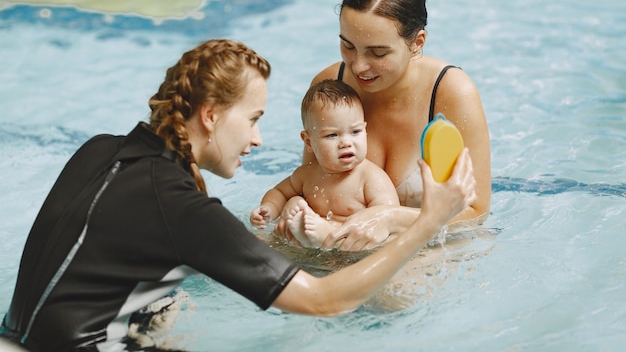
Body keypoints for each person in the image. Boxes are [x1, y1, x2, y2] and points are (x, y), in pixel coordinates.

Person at [0, 39, 475, 352]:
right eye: (252, 119)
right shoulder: (182, 208)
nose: (258, 139)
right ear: (210, 116)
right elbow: (325, 301)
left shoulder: (100, 149)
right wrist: (426, 223)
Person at [276, 0, 491, 250]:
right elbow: (310, 184)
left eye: (378, 53)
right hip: (337, 245)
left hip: (424, 252)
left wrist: (391, 219)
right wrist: (293, 208)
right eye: (347, 46)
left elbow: (475, 213)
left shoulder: (450, 93)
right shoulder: (330, 87)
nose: (358, 66)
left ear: (417, 43)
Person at [250, 79, 399, 248]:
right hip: (313, 246)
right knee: (291, 208)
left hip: (355, 249)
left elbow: (388, 221)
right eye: (332, 135)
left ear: (365, 130)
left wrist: (333, 230)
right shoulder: (306, 174)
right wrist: (268, 209)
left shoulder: (371, 178)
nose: (346, 142)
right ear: (308, 142)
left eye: (355, 132)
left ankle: (327, 235)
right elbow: (279, 192)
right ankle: (303, 230)